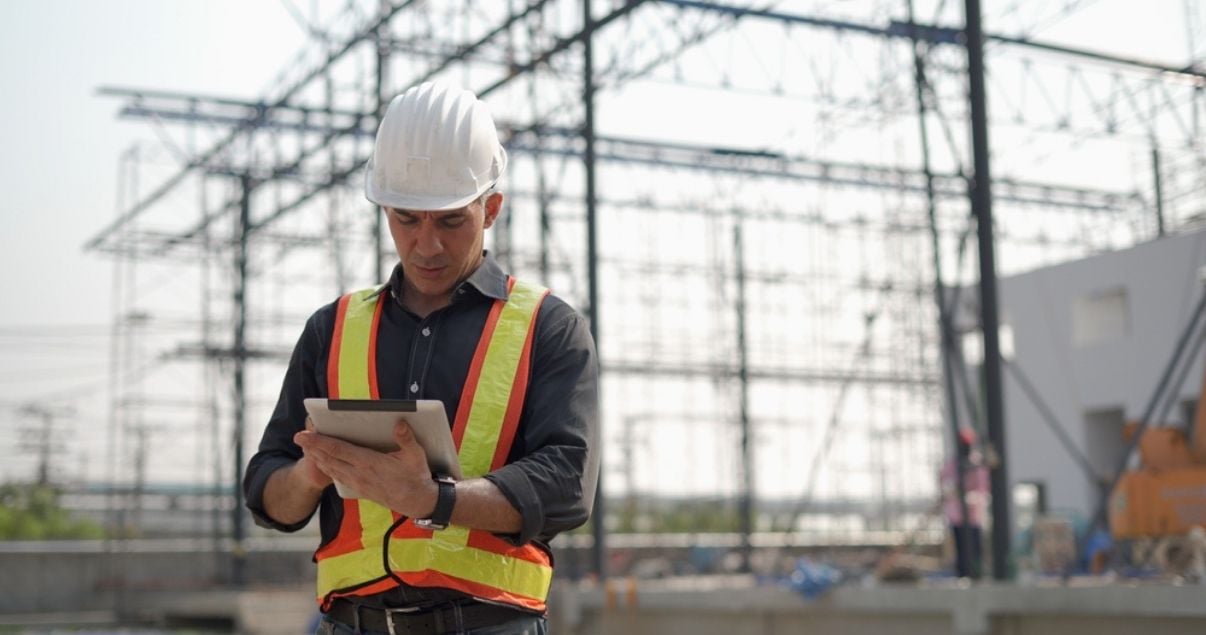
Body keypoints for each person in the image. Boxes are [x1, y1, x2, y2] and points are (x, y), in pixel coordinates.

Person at [244, 81, 600, 635]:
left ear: (491, 210)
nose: (426, 244)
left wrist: (435, 500)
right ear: (385, 209)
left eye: (451, 220)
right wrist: (311, 473)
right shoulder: (331, 329)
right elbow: (267, 493)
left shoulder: (548, 328)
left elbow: (566, 484)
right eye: (407, 220)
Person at [939, 427, 989, 579]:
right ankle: (962, 575)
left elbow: (982, 488)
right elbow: (945, 483)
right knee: (961, 548)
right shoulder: (952, 465)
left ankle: (976, 575)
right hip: (957, 516)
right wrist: (952, 492)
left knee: (975, 547)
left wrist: (968, 496)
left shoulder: (977, 464)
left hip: (973, 516)